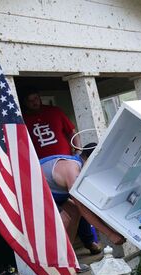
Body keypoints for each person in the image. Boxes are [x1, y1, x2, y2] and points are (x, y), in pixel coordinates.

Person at [21, 87, 102, 255]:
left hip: (65, 165)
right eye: (30, 100)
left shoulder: (55, 112)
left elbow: (72, 132)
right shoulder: (23, 120)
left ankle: (87, 242)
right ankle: (60, 254)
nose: (34, 102)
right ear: (25, 103)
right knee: (70, 209)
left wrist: (76, 151)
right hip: (46, 172)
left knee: (77, 203)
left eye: (36, 98)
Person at [40, 143, 126, 248]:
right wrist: (110, 234)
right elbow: (84, 209)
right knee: (71, 214)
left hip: (52, 192)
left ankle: (69, 253)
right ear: (91, 160)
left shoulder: (80, 166)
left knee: (75, 212)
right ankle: (59, 253)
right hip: (36, 193)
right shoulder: (73, 171)